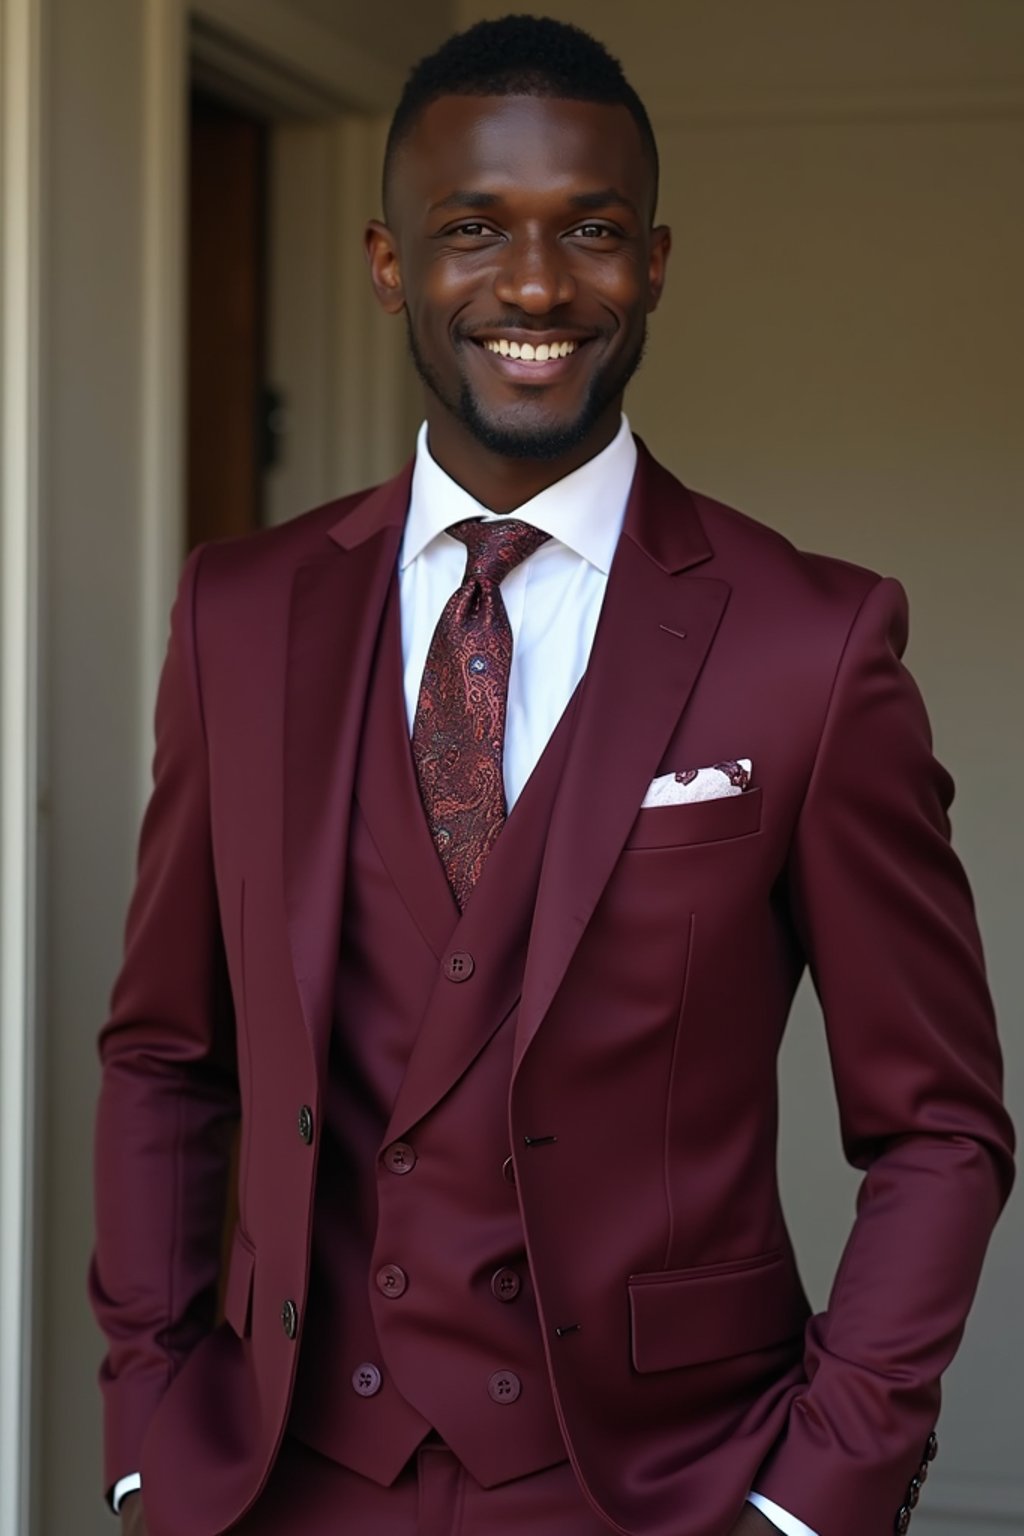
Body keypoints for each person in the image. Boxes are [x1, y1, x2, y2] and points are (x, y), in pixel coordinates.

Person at [90, 15, 1013, 1536]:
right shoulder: (239, 613)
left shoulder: (813, 643)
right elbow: (165, 1056)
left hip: (659, 1488)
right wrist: (148, 1430)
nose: (533, 287)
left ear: (652, 262)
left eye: (588, 231)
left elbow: (940, 1128)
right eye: (474, 231)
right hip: (282, 1483)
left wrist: (817, 1494)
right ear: (391, 263)